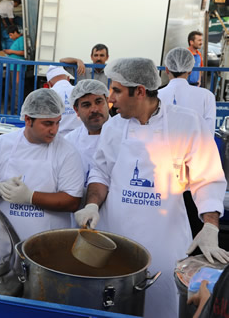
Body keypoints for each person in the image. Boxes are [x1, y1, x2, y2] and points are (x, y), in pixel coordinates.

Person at [74, 57, 229, 318]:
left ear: (140, 92)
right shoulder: (113, 126)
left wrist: (210, 225)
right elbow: (101, 172)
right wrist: (92, 204)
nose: (110, 98)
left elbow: (207, 177)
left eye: (117, 91)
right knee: (115, 305)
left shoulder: (186, 124)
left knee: (163, 304)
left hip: (164, 241)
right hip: (116, 239)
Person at [0, 89, 84, 240]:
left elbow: (72, 201)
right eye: (47, 123)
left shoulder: (67, 152)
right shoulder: (1, 144)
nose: (54, 130)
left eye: (57, 122)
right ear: (28, 120)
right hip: (7, 240)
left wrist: (30, 197)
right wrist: (0, 188)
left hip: (49, 243)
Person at [64, 80, 109, 201]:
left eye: (99, 102)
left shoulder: (124, 136)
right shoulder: (69, 141)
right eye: (86, 105)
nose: (94, 109)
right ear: (76, 110)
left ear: (107, 102)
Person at [160, 47, 216, 135]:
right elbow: (209, 134)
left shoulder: (156, 96)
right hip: (196, 148)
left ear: (167, 69)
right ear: (190, 71)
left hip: (161, 148)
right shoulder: (207, 96)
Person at [45, 65, 80, 136]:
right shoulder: (79, 91)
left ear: (49, 84)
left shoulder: (48, 94)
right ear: (68, 78)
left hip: (57, 138)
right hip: (79, 137)